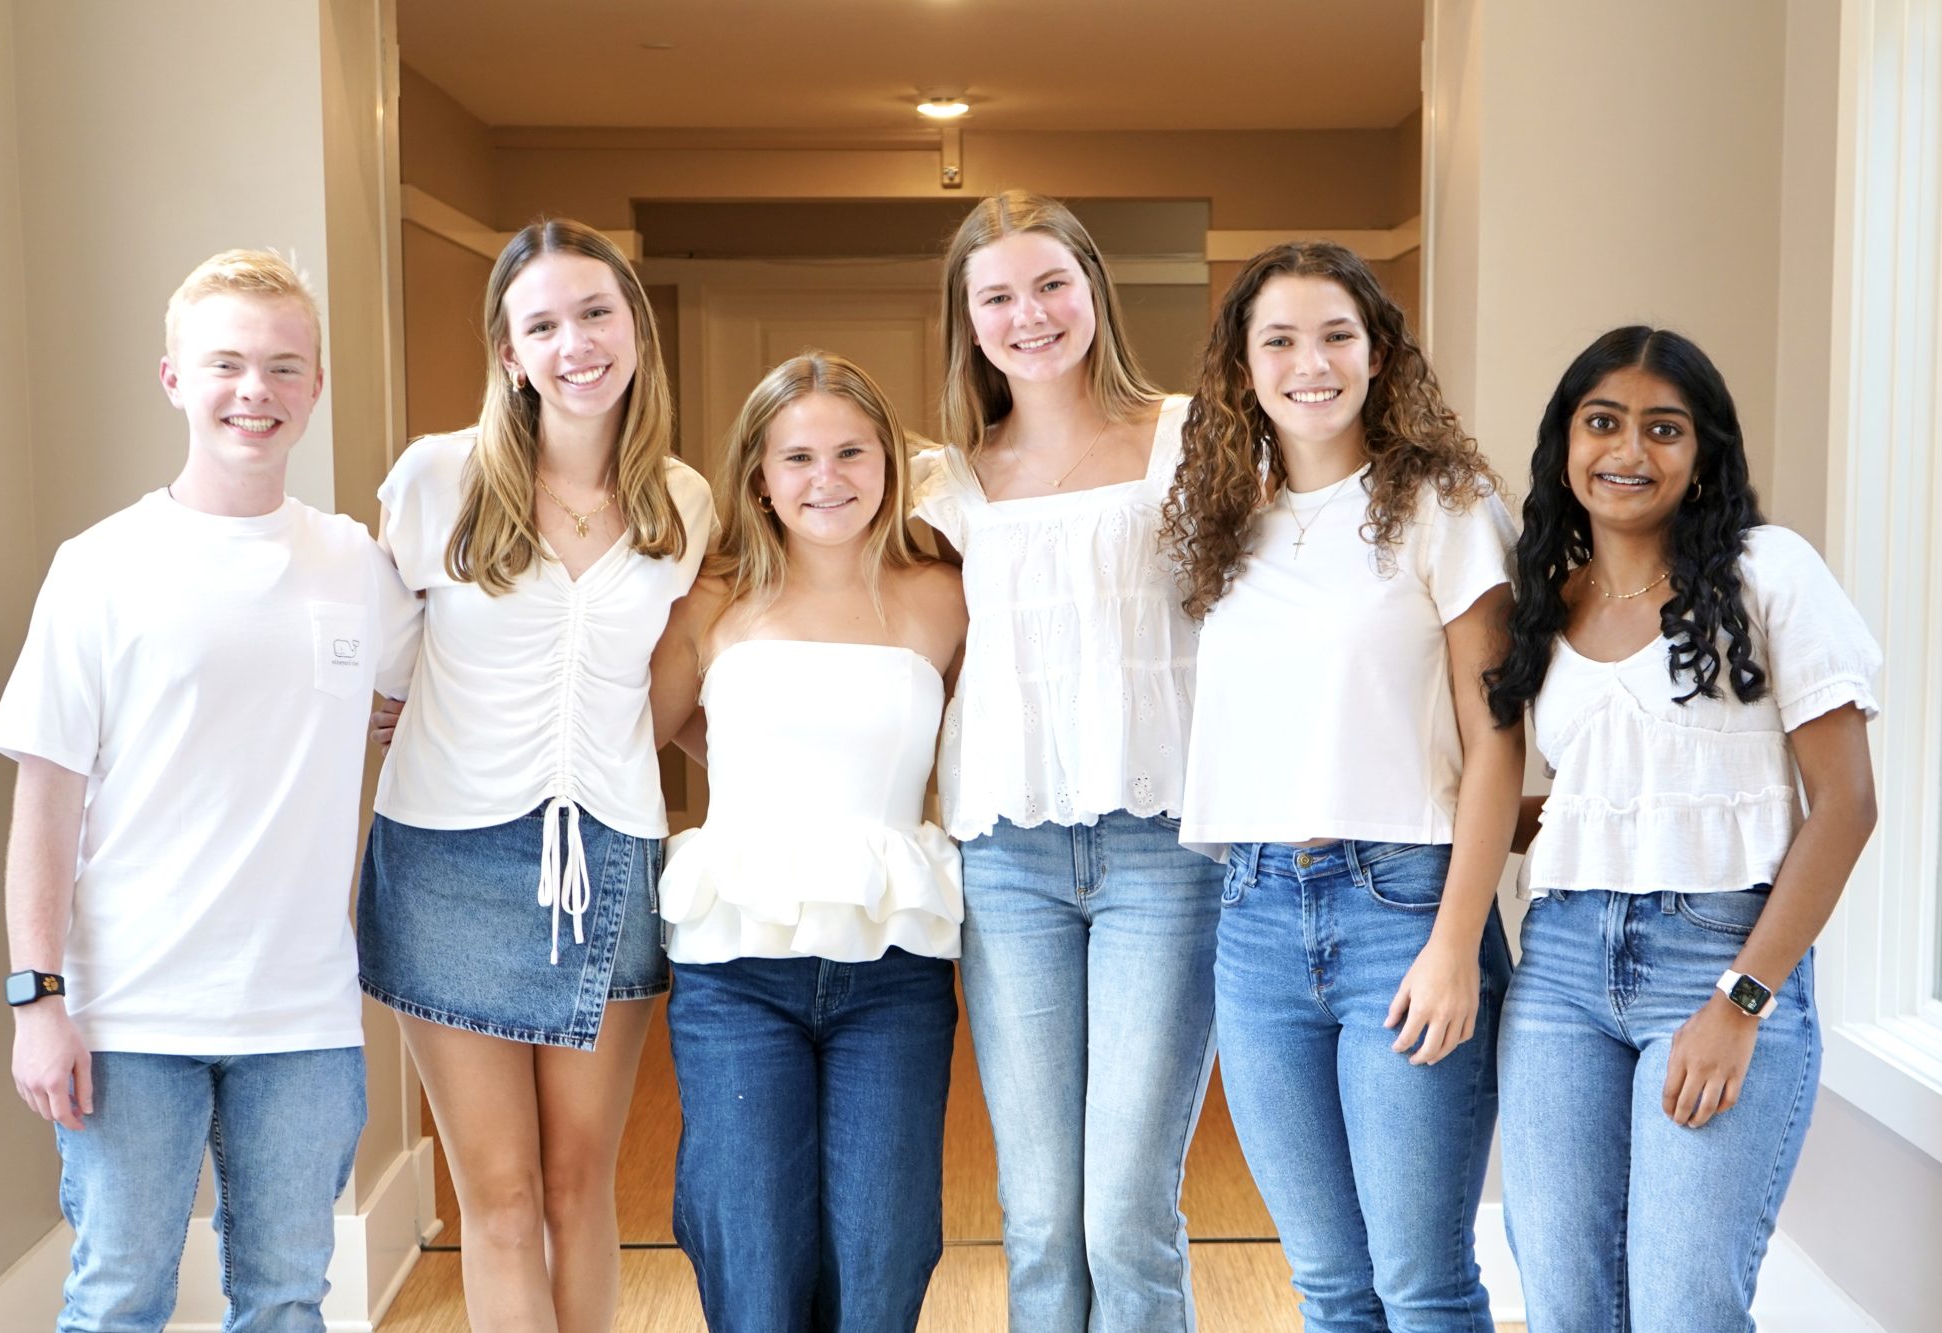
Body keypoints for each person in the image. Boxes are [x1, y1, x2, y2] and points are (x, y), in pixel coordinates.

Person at [0, 249, 419, 1331]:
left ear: (315, 386)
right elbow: (45, 804)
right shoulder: (100, 567)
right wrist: (36, 1001)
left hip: (303, 1015)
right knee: (118, 1296)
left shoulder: (354, 564)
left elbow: (444, 688)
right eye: (226, 363)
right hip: (128, 1010)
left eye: (284, 366)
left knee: (285, 1300)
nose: (254, 391)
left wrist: (391, 714)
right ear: (174, 377)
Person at [1484, 327, 1879, 1332]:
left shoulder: (1767, 572)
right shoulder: (1550, 603)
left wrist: (1739, 1002)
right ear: (1564, 445)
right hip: (1560, 970)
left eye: (1664, 429)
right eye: (1602, 422)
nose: (1629, 450)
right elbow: (1591, 810)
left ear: (1701, 454)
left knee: (1682, 1309)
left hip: (1717, 958)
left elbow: (1844, 806)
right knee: (1565, 1303)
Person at [356, 219, 711, 1331]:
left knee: (577, 1184)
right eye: (542, 325)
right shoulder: (436, 478)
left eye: (596, 313)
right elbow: (368, 657)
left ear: (635, 329)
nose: (575, 344)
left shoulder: (684, 503)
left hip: (610, 856)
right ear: (510, 354)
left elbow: (676, 688)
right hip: (445, 864)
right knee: (500, 1197)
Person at [1163, 240, 1521, 1333]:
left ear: (1378, 354)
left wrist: (1455, 944)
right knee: (1327, 1284)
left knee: (1421, 1283)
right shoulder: (1224, 519)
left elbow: (1496, 740)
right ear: (1243, 367)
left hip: (1403, 907)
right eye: (1278, 340)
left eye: (1335, 336)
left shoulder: (1444, 506)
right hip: (1253, 913)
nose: (1308, 363)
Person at [909, 189, 1222, 1331]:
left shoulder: (1192, 439)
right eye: (997, 296)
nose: (1029, 314)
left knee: (1125, 1215)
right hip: (1007, 860)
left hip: (1165, 852)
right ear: (967, 320)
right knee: (1040, 1219)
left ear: (1094, 290)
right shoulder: (941, 486)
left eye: (1050, 284)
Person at [648, 352, 968, 1332]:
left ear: (889, 460)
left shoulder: (945, 594)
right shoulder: (710, 596)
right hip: (736, 969)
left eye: (851, 452)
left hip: (894, 969)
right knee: (752, 1257)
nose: (826, 478)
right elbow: (637, 732)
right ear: (758, 473)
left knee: (883, 1256)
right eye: (796, 457)